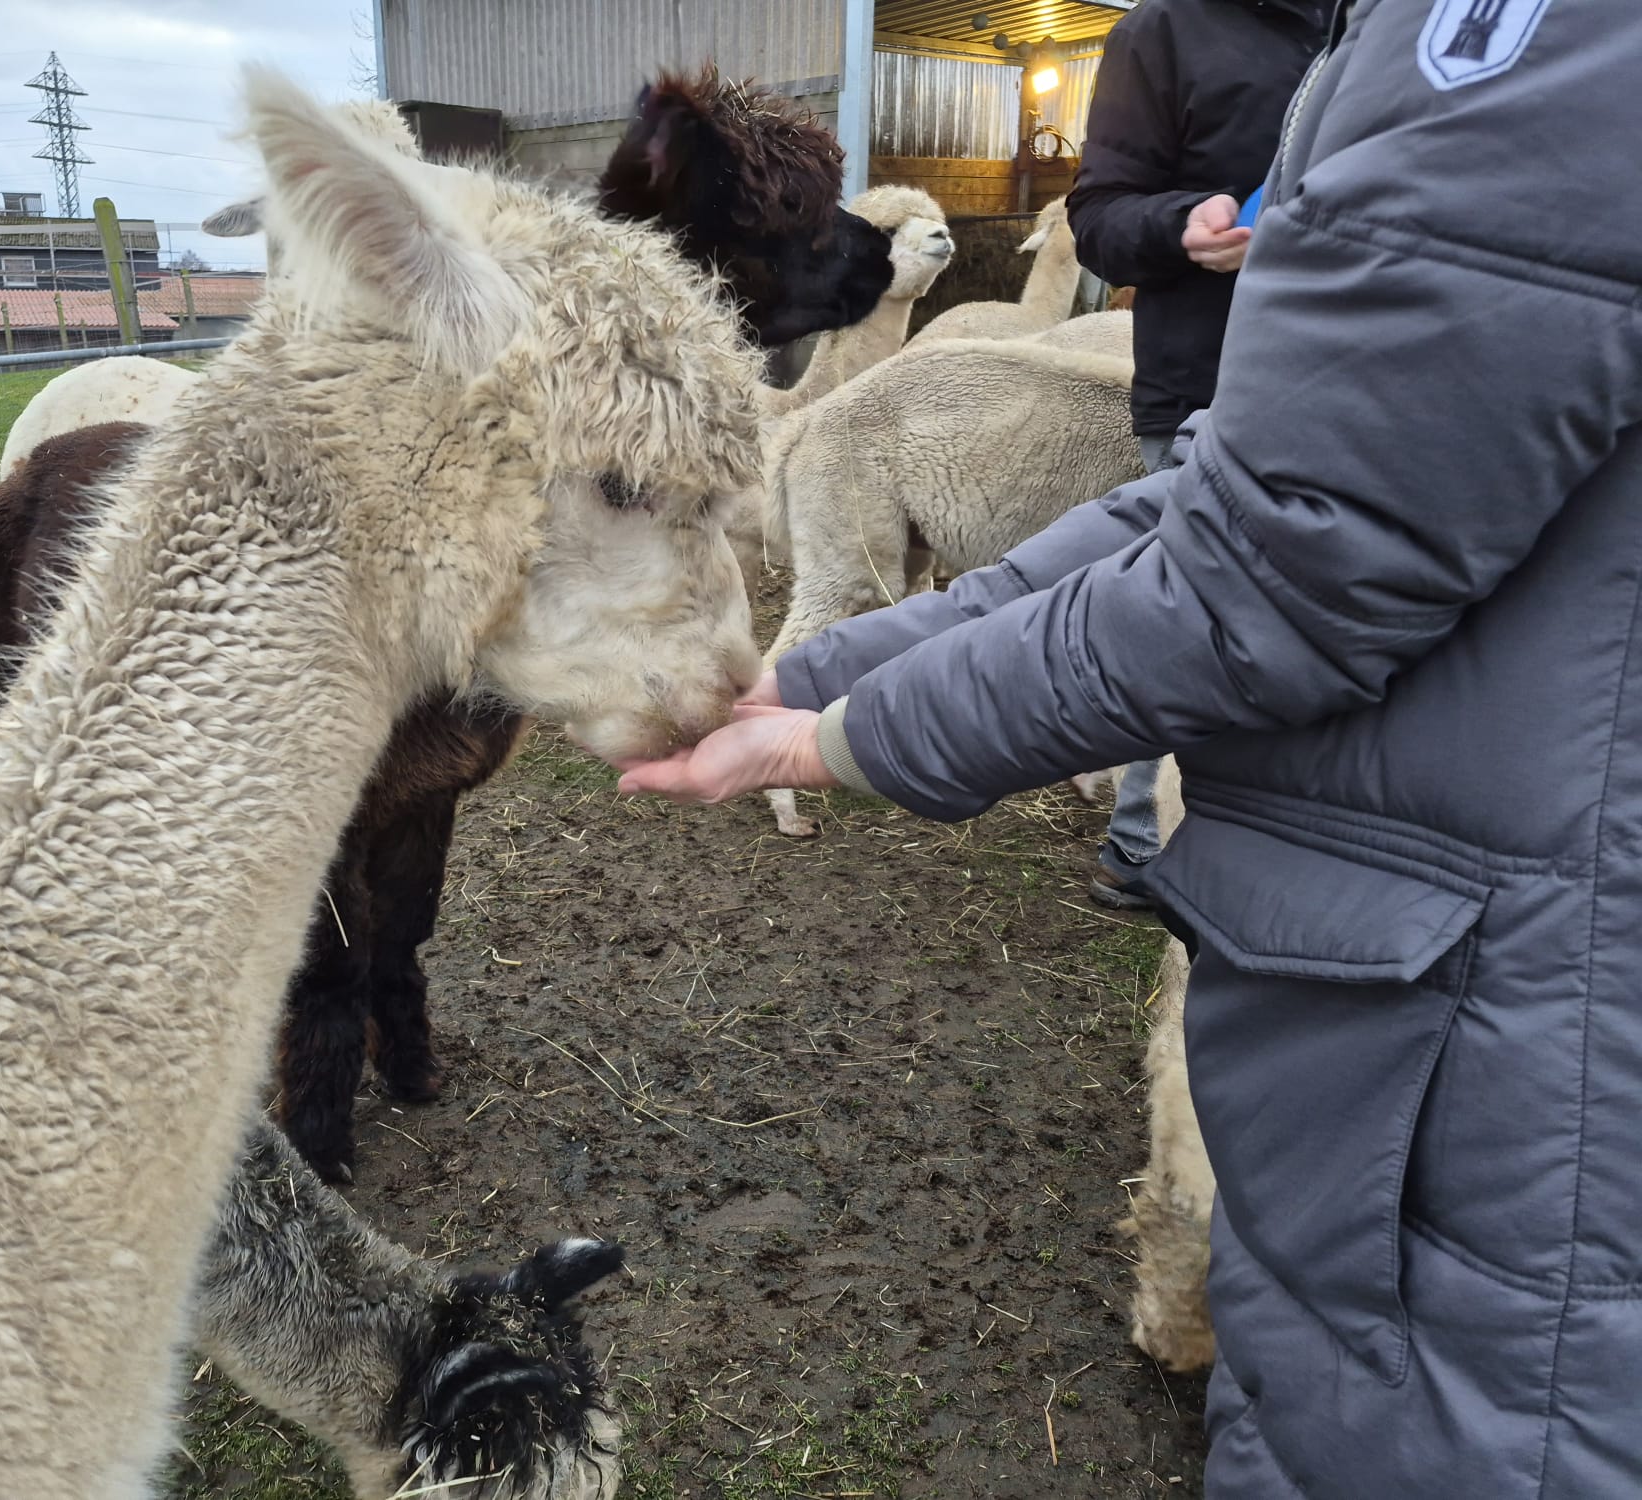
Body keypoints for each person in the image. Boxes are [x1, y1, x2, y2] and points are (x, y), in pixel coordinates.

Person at [619, 4, 1642, 1495]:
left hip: (1518, 1015)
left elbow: (1278, 565)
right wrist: (826, 673)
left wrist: (836, 738)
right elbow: (1242, 502)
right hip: (1461, 947)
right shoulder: (1390, 41)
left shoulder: (1519, 42)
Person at [1066, 0, 1334, 912]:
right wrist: (1183, 225)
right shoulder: (1165, 32)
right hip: (1212, 386)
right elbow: (1097, 216)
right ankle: (1143, 840)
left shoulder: (1382, 29)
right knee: (1191, 618)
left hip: (1357, 385)